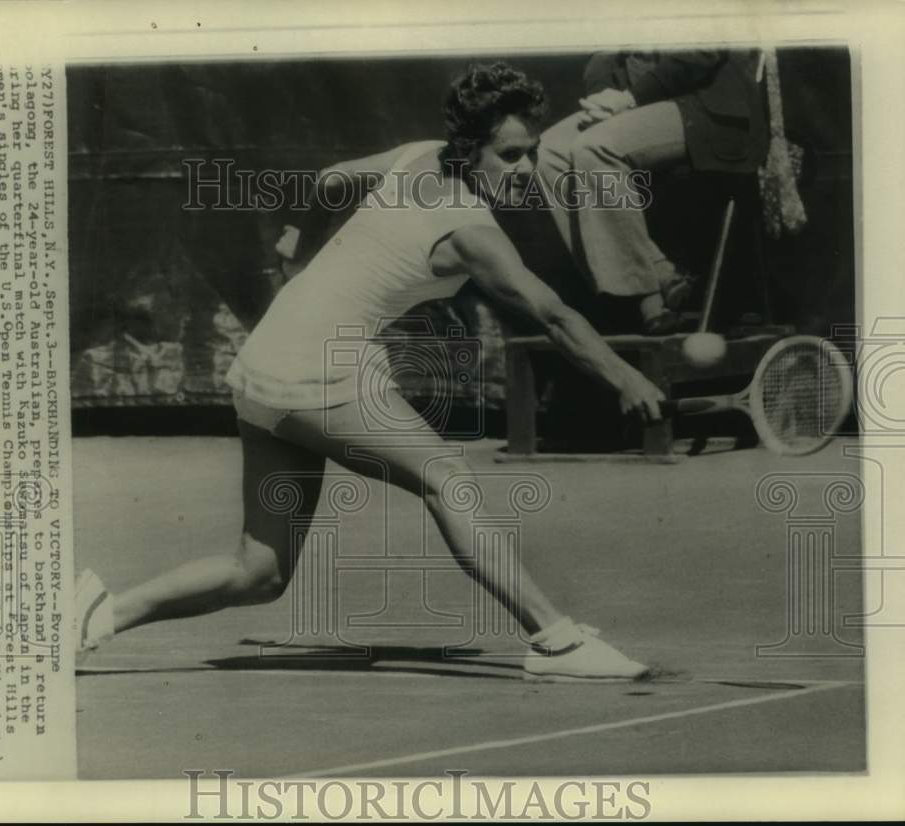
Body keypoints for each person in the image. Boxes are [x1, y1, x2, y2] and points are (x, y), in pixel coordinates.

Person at [75, 62, 665, 681]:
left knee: (260, 573)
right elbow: (553, 313)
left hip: (264, 364)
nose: (523, 171)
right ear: (471, 153)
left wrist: (296, 254)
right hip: (312, 373)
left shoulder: (419, 156)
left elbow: (331, 181)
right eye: (509, 156)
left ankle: (98, 614)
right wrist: (626, 377)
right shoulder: (470, 232)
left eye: (531, 154)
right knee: (446, 478)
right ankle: (555, 641)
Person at [536, 49, 770, 333]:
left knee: (594, 147)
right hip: (637, 104)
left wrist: (628, 99)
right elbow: (606, 55)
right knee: (548, 153)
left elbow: (703, 51)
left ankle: (646, 302)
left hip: (705, 107)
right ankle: (661, 273)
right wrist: (605, 99)